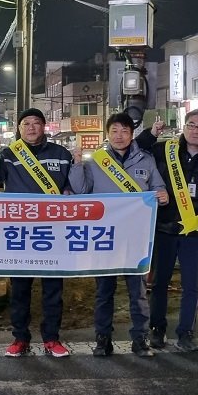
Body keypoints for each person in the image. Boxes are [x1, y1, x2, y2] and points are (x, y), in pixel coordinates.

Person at [70, 112, 169, 358]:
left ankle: (140, 338)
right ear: (107, 134)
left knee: (138, 292)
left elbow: (158, 188)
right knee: (104, 292)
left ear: (132, 133)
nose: (119, 136)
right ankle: (103, 339)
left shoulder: (145, 160)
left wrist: (162, 195)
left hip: (136, 238)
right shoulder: (95, 161)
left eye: (124, 131)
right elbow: (81, 192)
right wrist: (77, 164)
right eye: (114, 131)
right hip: (105, 237)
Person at [0, 107, 74, 358]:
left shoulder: (62, 154)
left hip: (53, 233)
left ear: (44, 126)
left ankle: (52, 338)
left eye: (36, 123)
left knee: (53, 289)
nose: (31, 127)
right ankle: (20, 337)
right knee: (20, 289)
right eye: (26, 124)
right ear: (19, 129)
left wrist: (69, 190)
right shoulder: (9, 154)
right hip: (19, 233)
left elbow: (73, 186)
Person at [135, 110, 198, 352]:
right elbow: (137, 149)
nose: (196, 130)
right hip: (164, 229)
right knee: (159, 282)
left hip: (194, 232)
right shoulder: (164, 150)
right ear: (184, 127)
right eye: (192, 125)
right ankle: (157, 329)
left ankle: (186, 333)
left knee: (192, 285)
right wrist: (151, 133)